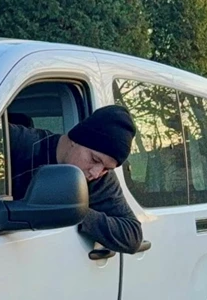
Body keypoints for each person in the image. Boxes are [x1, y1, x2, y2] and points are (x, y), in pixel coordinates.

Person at [9, 104, 143, 254]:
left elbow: (132, 236)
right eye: (94, 159)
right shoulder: (18, 142)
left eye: (106, 168)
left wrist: (77, 212)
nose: (96, 173)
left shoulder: (100, 179)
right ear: (75, 139)